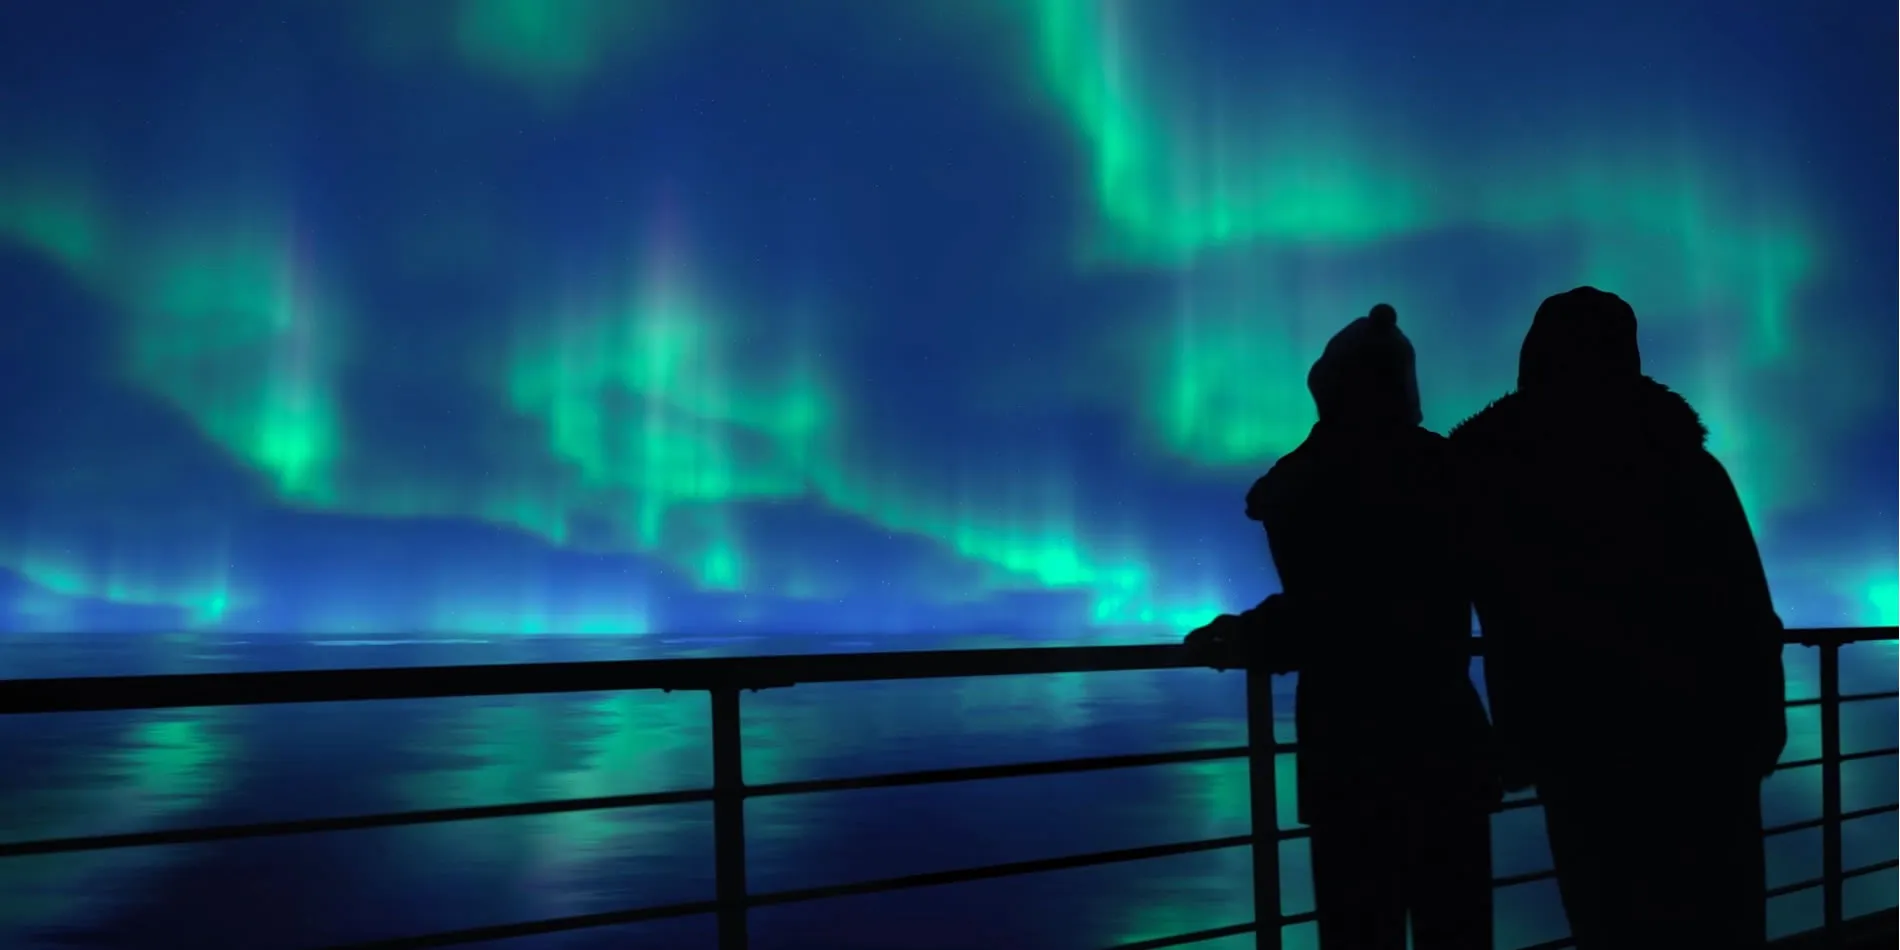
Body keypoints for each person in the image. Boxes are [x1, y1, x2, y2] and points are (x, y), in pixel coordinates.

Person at [1448, 287, 1787, 948]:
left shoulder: (1491, 475)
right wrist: (1759, 727)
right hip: (1705, 746)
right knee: (1719, 920)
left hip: (1575, 747)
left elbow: (1421, 595)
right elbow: (1746, 608)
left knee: (1608, 918)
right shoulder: (1685, 466)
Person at [1190, 304, 1498, 950]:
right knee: (1458, 930)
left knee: (1360, 931)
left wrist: (1253, 635)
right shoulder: (1454, 479)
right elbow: (1378, 607)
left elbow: (1343, 613)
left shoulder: (1312, 487)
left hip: (1351, 763)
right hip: (1448, 753)